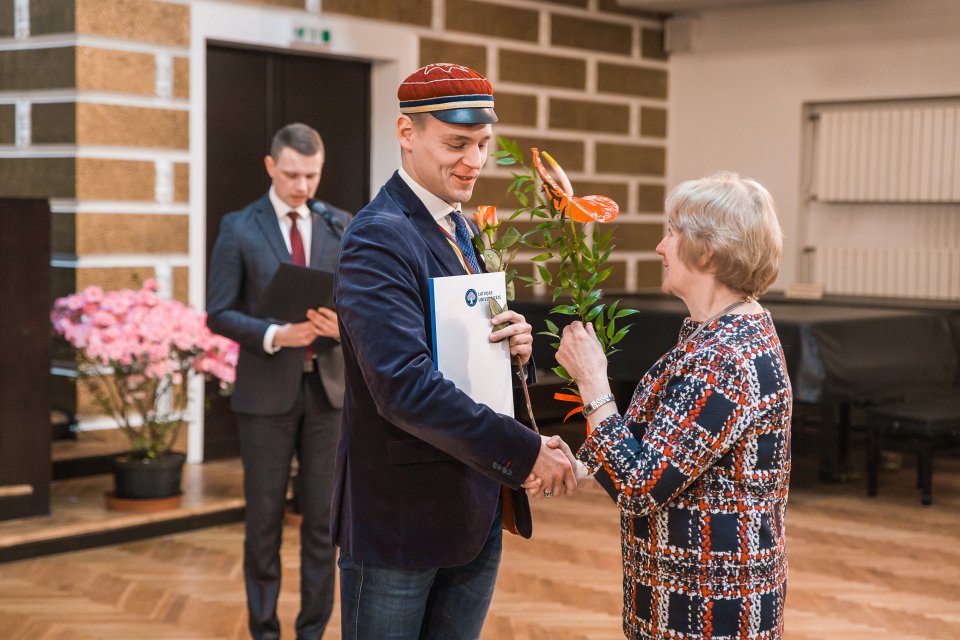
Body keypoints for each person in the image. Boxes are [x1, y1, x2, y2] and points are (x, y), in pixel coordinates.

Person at [332, 63, 577, 639]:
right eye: (457, 143)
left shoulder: (457, 226)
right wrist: (526, 450)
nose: (474, 160)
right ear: (406, 133)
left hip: (473, 501)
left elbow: (457, 352)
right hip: (402, 518)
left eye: (483, 144)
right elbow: (403, 385)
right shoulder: (379, 234)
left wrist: (515, 349)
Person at [543, 172, 792, 640]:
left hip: (707, 607)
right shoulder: (719, 335)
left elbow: (639, 487)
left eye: (673, 233)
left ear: (708, 251)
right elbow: (664, 459)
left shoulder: (724, 357)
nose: (660, 246)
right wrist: (577, 469)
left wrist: (593, 382)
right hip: (698, 594)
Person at [207, 123, 352, 640]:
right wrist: (275, 334)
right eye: (292, 174)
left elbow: (361, 305)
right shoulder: (238, 227)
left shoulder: (341, 225)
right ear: (271, 167)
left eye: (312, 175)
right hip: (265, 394)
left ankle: (311, 632)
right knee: (263, 524)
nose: (302, 186)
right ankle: (263, 631)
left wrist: (344, 328)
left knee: (323, 526)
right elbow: (218, 313)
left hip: (330, 394)